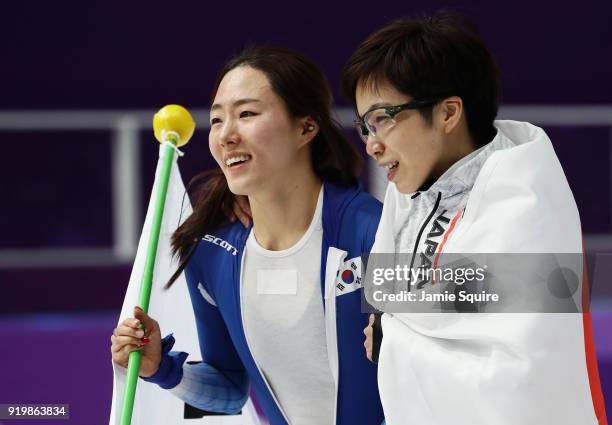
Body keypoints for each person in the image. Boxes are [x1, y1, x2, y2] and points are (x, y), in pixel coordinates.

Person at [342, 11, 607, 425]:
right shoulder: (410, 195)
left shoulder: (525, 204)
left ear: (448, 113)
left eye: (382, 119)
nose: (372, 146)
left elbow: (517, 372)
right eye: (364, 126)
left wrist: (393, 337)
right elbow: (385, 297)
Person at [111, 46, 384, 425]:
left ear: (306, 127)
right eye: (218, 120)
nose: (226, 135)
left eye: (247, 114)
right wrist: (163, 369)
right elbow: (230, 389)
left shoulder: (372, 232)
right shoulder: (211, 252)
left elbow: (487, 295)